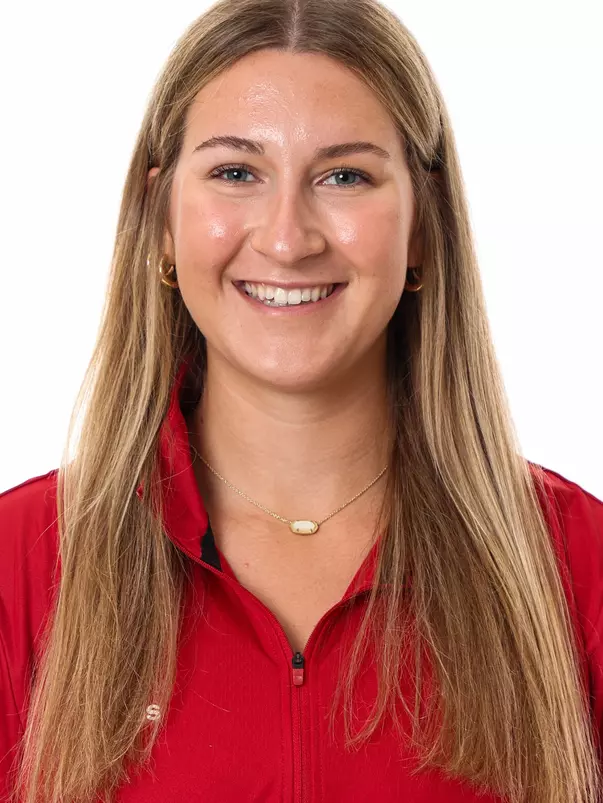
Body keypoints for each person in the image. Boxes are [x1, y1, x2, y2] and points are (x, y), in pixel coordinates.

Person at [1, 0, 602, 801]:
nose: (287, 238)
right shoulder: (22, 562)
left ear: (423, 223)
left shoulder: (578, 564)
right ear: (162, 220)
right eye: (235, 172)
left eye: (344, 175)